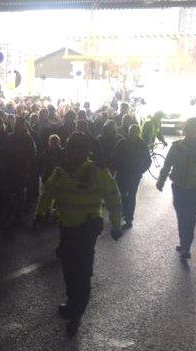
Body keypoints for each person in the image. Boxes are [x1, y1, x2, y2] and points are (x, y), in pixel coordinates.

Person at [36, 132, 122, 336]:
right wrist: (40, 214)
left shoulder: (96, 171)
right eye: (71, 149)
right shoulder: (60, 172)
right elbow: (47, 194)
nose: (73, 154)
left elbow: (113, 196)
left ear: (86, 152)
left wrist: (117, 225)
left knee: (81, 273)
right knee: (68, 270)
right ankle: (73, 302)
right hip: (66, 228)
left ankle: (76, 314)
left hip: (86, 229)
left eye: (78, 150)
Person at [156, 117, 196, 259]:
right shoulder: (177, 146)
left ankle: (185, 246)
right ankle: (184, 242)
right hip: (178, 187)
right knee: (182, 216)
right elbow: (167, 164)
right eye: (190, 128)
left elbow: (167, 165)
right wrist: (161, 180)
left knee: (189, 217)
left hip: (193, 189)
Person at [110, 124, 151, 229]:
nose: (133, 134)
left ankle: (129, 218)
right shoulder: (122, 143)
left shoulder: (141, 144)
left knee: (131, 196)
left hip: (133, 175)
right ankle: (123, 213)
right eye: (132, 131)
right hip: (123, 174)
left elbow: (148, 160)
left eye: (135, 132)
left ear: (138, 133)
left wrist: (140, 171)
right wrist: (115, 170)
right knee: (122, 195)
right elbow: (114, 158)